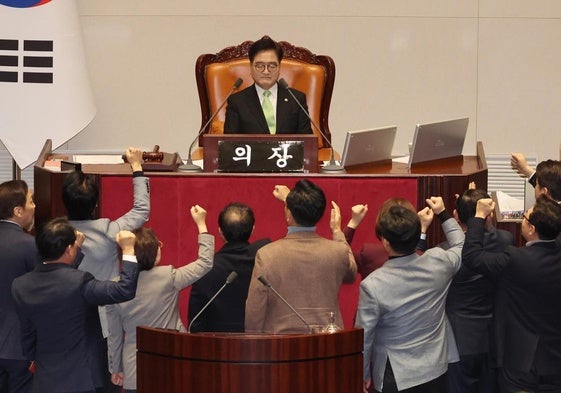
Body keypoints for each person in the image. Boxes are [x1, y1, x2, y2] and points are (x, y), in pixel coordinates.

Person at [11, 218, 140, 393]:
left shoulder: (20, 285)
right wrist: (128, 249)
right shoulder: (80, 282)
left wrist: (75, 248)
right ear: (68, 249)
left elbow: (28, 338)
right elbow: (124, 290)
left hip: (44, 379)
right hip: (81, 380)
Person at [62, 146, 149, 392]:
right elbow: (142, 210)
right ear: (96, 203)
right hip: (103, 323)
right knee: (105, 380)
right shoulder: (109, 230)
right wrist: (137, 167)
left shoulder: (55, 234)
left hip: (65, 319)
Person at [356, 196, 463, 393]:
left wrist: (362, 375)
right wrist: (443, 213)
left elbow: (364, 339)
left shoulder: (372, 285)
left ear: (386, 242)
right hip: (436, 369)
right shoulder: (439, 261)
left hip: (397, 376)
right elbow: (460, 245)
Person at [106, 205, 214, 393]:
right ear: (155, 253)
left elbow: (115, 336)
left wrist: (116, 368)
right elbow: (205, 262)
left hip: (135, 369)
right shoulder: (168, 277)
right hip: (172, 362)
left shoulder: (114, 288)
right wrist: (201, 224)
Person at [462, 196, 561, 393]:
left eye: (524, 218)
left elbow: (472, 256)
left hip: (520, 364)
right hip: (556, 361)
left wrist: (479, 216)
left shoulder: (515, 259)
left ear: (531, 229)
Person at [245, 179, 357, 334]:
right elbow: (351, 274)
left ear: (288, 214)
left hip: (281, 347)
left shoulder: (267, 254)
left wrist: (254, 346)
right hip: (326, 345)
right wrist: (337, 231)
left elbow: (255, 310)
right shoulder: (338, 251)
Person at [444, 188, 514, 393]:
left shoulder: (445, 251)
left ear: (456, 216)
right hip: (493, 336)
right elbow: (490, 233)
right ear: (489, 214)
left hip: (459, 340)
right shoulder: (506, 240)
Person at [188, 202, 270, 333]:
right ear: (253, 229)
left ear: (220, 231)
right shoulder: (266, 259)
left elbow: (196, 324)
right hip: (259, 344)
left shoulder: (206, 269)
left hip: (216, 346)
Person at [223, 35, 313, 135]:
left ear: (279, 68)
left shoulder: (296, 99)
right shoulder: (236, 102)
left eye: (272, 66)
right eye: (260, 66)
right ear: (251, 68)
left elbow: (307, 143)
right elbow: (229, 144)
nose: (266, 71)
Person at [0, 180, 36, 393]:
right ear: (18, 210)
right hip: (19, 346)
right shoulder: (30, 245)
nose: (34, 206)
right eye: (31, 201)